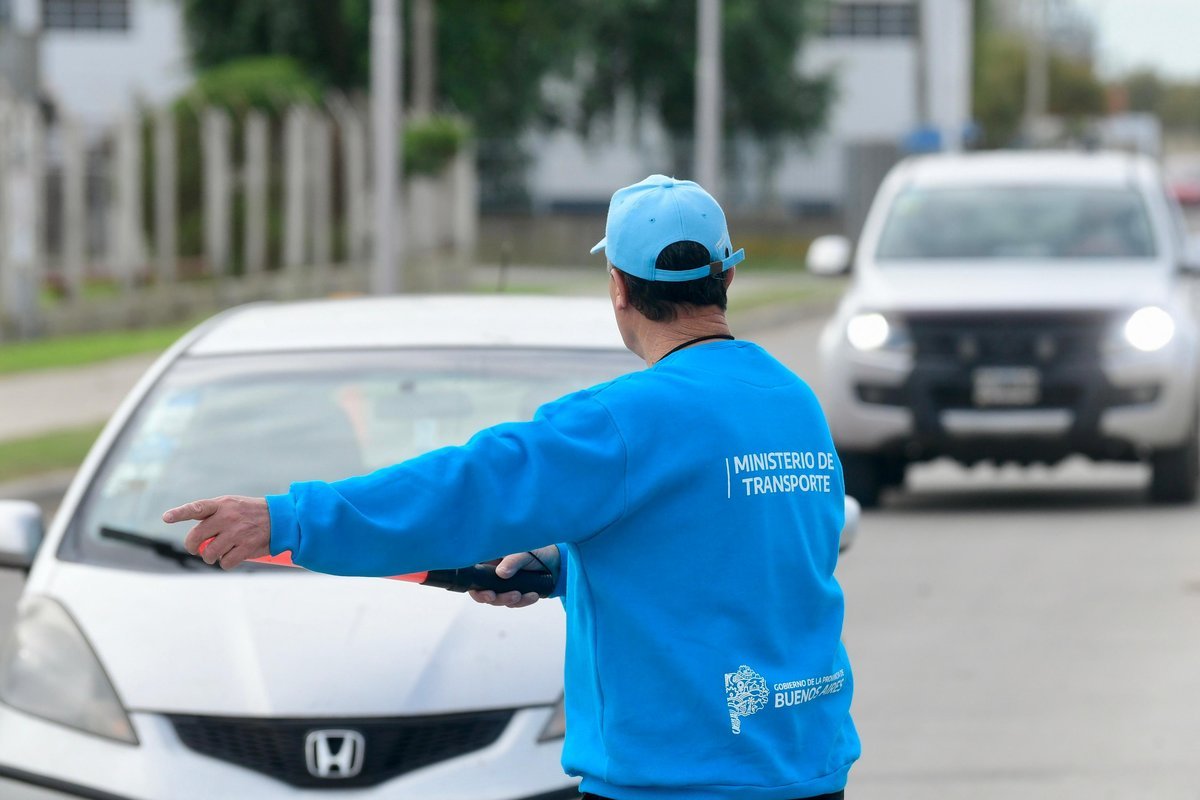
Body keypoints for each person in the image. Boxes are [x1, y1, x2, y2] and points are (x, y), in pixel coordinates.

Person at [163, 174, 860, 800]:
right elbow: (743, 550)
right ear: (726, 278)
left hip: (680, 781)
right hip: (807, 768)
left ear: (619, 288)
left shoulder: (621, 423)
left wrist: (289, 519)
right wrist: (567, 570)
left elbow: (464, 490)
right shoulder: (792, 401)